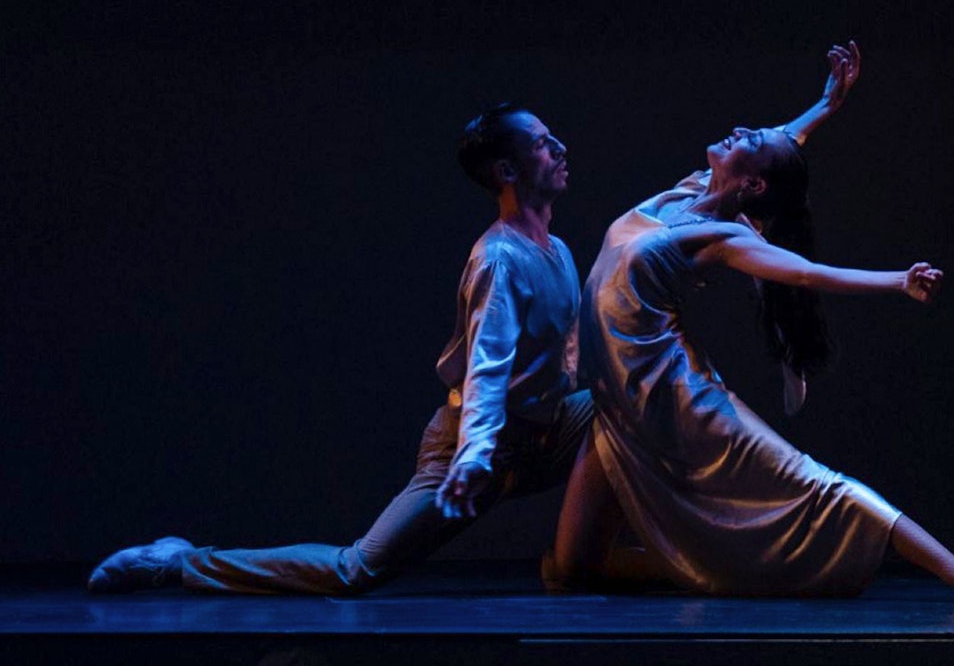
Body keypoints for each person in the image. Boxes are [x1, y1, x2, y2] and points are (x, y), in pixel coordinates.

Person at [545, 43, 954, 601]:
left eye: (748, 141)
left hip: (675, 399)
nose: (739, 129)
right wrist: (824, 106)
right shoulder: (688, 191)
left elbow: (803, 273)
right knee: (571, 569)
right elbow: (783, 143)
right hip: (616, 408)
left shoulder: (725, 236)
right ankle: (710, 568)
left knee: (813, 484)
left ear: (752, 185)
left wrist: (897, 280)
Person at [88, 104, 593, 594]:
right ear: (507, 169)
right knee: (356, 570)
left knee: (623, 402)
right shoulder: (500, 258)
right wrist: (475, 454)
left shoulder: (558, 251)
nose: (560, 148)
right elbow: (488, 365)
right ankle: (181, 562)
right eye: (544, 145)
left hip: (540, 438)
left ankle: (600, 559)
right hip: (479, 446)